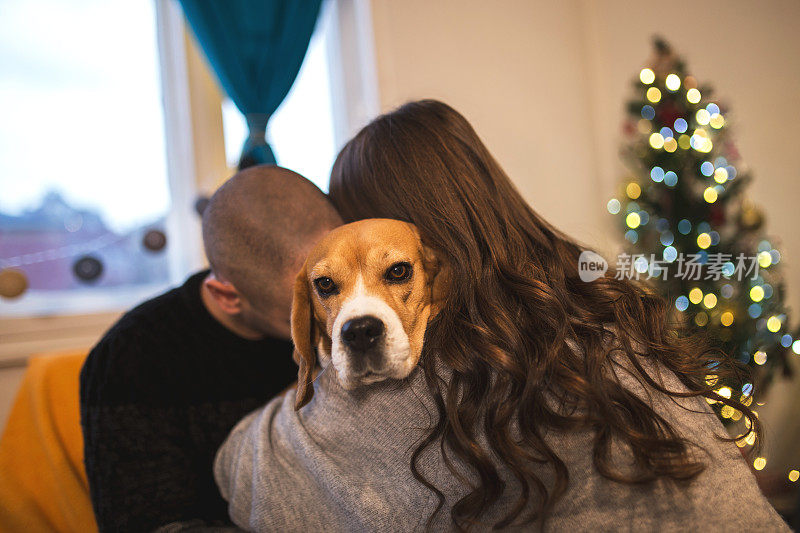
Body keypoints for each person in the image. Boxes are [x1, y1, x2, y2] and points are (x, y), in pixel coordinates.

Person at [213, 101, 789, 531]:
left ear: (418, 244)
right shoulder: (602, 306)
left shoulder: (444, 365)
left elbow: (249, 477)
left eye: (388, 262)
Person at [80, 165, 342, 532]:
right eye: (298, 317)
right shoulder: (130, 357)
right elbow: (153, 524)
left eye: (331, 288)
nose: (331, 326)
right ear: (227, 296)